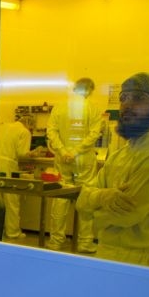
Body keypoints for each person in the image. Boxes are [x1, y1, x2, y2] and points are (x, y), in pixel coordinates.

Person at [76, 73, 149, 268]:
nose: (126, 105)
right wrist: (105, 198)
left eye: (138, 98)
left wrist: (96, 212)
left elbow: (127, 215)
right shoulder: (120, 155)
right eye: (123, 98)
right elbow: (82, 203)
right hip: (105, 252)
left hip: (140, 261)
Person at [46, 77, 107, 252]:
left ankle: (56, 241)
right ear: (89, 90)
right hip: (84, 159)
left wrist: (64, 151)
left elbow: (51, 131)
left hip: (62, 158)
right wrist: (76, 152)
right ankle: (85, 241)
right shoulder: (93, 109)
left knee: (60, 197)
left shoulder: (59, 107)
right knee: (85, 198)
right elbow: (94, 134)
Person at [0, 113, 39, 241]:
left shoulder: (2, 126)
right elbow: (22, 154)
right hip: (7, 165)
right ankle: (13, 232)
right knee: (11, 200)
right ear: (30, 125)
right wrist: (34, 153)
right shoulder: (24, 131)